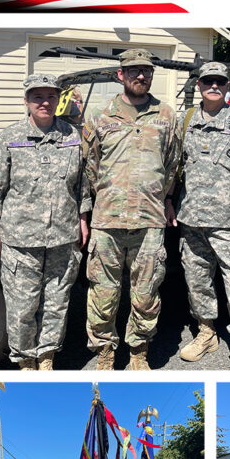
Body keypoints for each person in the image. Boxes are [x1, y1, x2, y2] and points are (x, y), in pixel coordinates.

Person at [0, 72, 91, 371]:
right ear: (27, 100)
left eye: (51, 96)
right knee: (22, 307)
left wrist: (82, 219)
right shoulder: (11, 137)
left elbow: (81, 185)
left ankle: (47, 358)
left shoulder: (71, 136)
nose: (45, 102)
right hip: (20, 239)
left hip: (63, 238)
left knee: (57, 304)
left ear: (58, 99)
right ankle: (26, 361)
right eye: (38, 97)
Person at [82, 48, 183, 371]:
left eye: (147, 71)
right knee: (103, 293)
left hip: (150, 219)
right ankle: (105, 353)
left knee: (146, 291)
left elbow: (172, 164)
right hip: (107, 220)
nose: (142, 76)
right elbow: (90, 165)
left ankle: (139, 351)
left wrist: (162, 197)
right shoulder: (99, 115)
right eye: (135, 71)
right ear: (120, 75)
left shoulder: (166, 116)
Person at [174, 59, 230, 369]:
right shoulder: (184, 122)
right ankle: (206, 332)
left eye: (220, 82)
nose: (214, 86)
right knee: (197, 282)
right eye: (208, 80)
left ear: (229, 86)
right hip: (192, 221)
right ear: (199, 84)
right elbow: (174, 167)